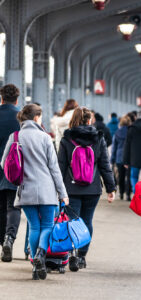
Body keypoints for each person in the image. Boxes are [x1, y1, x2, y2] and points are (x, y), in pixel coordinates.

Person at [1, 104, 69, 280]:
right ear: (37, 118)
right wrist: (63, 193)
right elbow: (54, 169)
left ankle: (34, 265)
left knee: (34, 226)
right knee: (47, 225)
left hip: (25, 189)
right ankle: (40, 254)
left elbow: (4, 163)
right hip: (47, 190)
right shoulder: (45, 137)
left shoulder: (15, 136)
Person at [58, 107, 116, 272]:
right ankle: (82, 255)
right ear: (90, 120)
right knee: (87, 221)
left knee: (72, 222)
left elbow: (60, 166)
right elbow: (105, 165)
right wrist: (111, 188)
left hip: (71, 188)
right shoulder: (98, 138)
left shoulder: (67, 139)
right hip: (93, 188)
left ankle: (72, 255)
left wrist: (58, 189)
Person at [0, 84, 21, 263]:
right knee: (13, 206)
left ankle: (2, 242)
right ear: (17, 100)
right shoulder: (21, 118)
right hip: (14, 168)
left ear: (1, 98)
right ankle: (9, 239)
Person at [111, 115, 132, 201]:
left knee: (121, 176)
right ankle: (128, 194)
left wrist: (112, 159)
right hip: (129, 156)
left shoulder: (117, 133)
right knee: (129, 176)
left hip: (119, 156)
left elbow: (114, 147)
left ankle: (121, 193)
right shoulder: (131, 132)